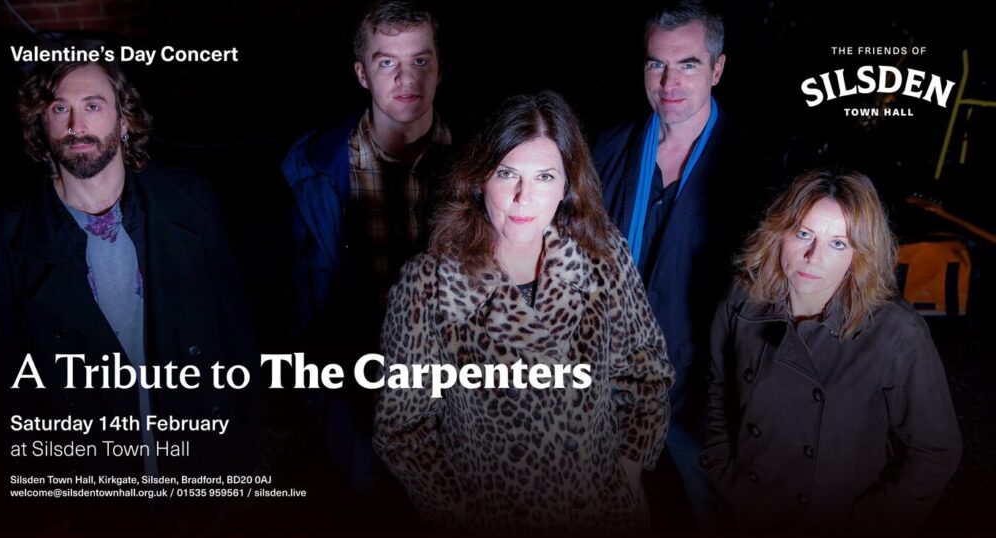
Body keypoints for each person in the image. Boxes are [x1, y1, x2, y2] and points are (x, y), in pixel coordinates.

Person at [0, 59, 259, 529]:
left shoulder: (190, 202)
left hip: (195, 476)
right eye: (58, 108)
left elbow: (235, 337)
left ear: (125, 120)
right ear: (41, 126)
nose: (76, 124)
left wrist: (237, 454)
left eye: (93, 105)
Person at [373, 91, 674, 533]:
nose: (523, 197)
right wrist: (454, 510)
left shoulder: (603, 256)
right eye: (507, 173)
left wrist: (629, 468)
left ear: (567, 185)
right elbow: (402, 427)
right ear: (478, 180)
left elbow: (647, 372)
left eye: (545, 177)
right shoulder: (428, 285)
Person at [592, 1, 777, 525]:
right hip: (613, 381)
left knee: (711, 510)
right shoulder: (611, 149)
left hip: (699, 392)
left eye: (688, 64)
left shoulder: (751, 170)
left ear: (717, 69)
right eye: (656, 64)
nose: (669, 81)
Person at [703, 168, 962, 530]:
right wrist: (721, 469)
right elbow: (717, 387)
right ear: (779, 233)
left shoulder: (896, 332)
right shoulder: (743, 298)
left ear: (860, 254)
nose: (813, 256)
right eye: (803, 233)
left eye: (838, 243)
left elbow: (936, 452)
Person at [280, 0, 451, 492]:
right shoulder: (311, 170)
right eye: (387, 62)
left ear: (438, 68)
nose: (406, 79)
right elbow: (297, 300)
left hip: (458, 400)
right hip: (358, 398)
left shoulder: (483, 165)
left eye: (420, 60)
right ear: (362, 73)